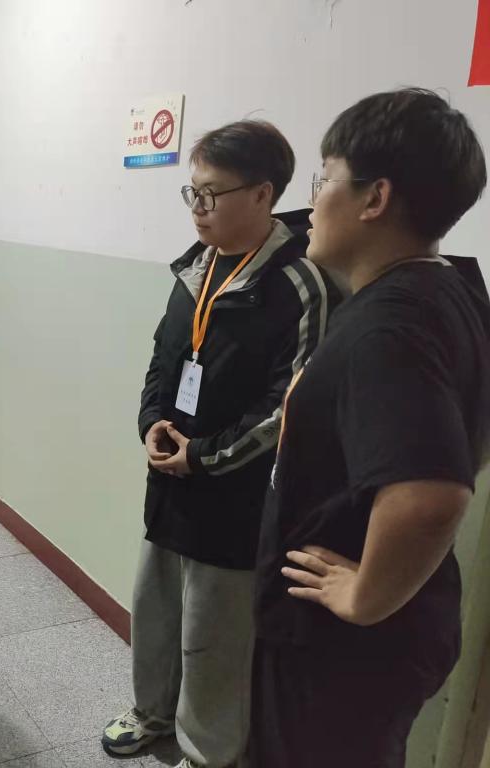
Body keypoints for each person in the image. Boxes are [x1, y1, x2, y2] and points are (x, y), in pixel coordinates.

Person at [252, 88, 489, 768]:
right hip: (386, 638)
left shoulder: (390, 326)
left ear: (375, 197)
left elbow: (431, 495)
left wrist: (363, 597)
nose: (311, 203)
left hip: (341, 651)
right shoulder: (449, 288)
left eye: (324, 178)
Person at [101, 121, 338, 768]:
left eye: (211, 194)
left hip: (236, 497)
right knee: (156, 612)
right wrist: (152, 422)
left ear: (262, 194)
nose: (198, 208)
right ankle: (151, 714)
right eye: (193, 193)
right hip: (169, 481)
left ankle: (208, 751)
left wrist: (203, 457)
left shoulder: (300, 285)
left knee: (214, 636)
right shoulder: (195, 268)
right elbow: (163, 359)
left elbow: (287, 405)